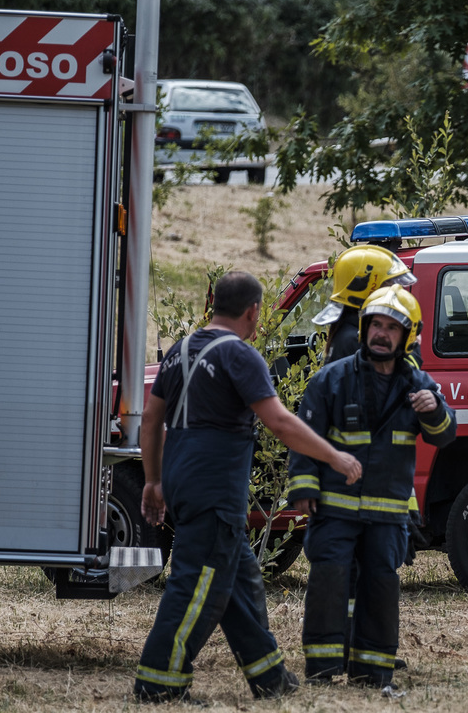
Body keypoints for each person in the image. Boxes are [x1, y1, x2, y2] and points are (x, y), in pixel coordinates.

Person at [134, 271, 363, 703]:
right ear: (253, 311)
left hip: (182, 480)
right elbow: (278, 421)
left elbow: (151, 420)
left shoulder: (180, 350)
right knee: (197, 585)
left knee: (238, 580)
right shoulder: (240, 356)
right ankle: (158, 683)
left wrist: (152, 480)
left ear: (214, 303)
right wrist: (333, 456)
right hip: (214, 488)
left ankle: (270, 678)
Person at [289, 285, 457, 691]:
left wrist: (434, 411)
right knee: (329, 578)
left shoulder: (419, 385)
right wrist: (305, 489)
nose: (381, 333)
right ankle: (323, 671)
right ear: (364, 328)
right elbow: (304, 437)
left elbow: (445, 436)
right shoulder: (331, 380)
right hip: (334, 508)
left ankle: (373, 672)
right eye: (375, 325)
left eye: (392, 328)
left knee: (381, 585)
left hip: (387, 514)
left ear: (407, 336)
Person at [312, 244, 416, 365]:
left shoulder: (358, 333)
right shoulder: (353, 340)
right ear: (366, 290)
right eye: (389, 283)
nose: (396, 291)